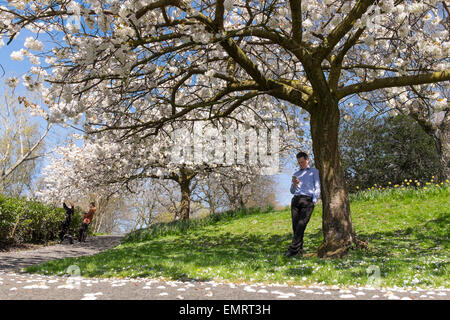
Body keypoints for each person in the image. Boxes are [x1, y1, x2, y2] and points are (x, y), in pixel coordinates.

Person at [285, 151, 321, 257]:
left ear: (307, 160)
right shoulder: (296, 174)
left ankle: (292, 249)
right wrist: (293, 184)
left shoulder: (314, 172)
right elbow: (292, 191)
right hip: (296, 200)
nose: (301, 164)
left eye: (302, 162)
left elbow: (317, 186)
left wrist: (314, 200)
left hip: (307, 200)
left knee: (301, 224)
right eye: (299, 163)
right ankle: (298, 251)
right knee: (295, 227)